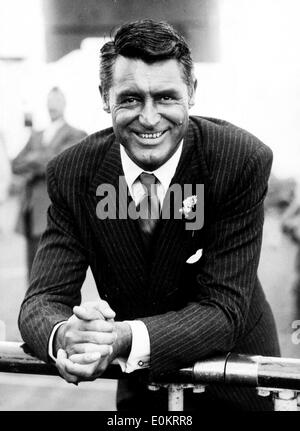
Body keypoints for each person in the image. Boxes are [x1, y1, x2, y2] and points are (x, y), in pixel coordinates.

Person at [18, 20, 280, 411]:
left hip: (233, 380)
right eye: (130, 99)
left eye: (166, 98)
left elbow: (223, 309)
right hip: (142, 390)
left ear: (192, 92)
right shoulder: (73, 173)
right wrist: (65, 335)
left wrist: (120, 337)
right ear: (104, 96)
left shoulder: (239, 160)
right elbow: (42, 300)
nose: (150, 118)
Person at [12, 88, 87, 278]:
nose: (52, 105)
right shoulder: (36, 135)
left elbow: (58, 163)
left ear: (64, 104)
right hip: (30, 212)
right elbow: (16, 164)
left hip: (53, 210)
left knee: (51, 275)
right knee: (32, 272)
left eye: (56, 101)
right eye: (49, 101)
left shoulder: (75, 134)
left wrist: (34, 157)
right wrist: (40, 159)